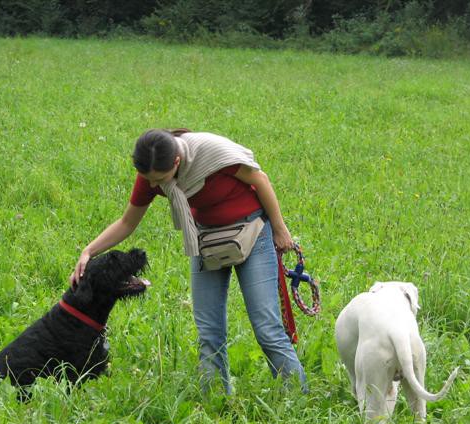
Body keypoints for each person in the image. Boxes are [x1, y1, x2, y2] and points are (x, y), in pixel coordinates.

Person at [70, 129, 308, 394]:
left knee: (267, 328)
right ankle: (217, 399)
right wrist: (88, 251)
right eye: (148, 180)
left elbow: (260, 179)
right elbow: (128, 222)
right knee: (209, 332)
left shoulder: (214, 154)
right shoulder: (152, 173)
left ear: (176, 162)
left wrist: (280, 229)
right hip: (205, 239)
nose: (152, 186)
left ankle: (296, 398)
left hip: (252, 232)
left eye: (158, 180)